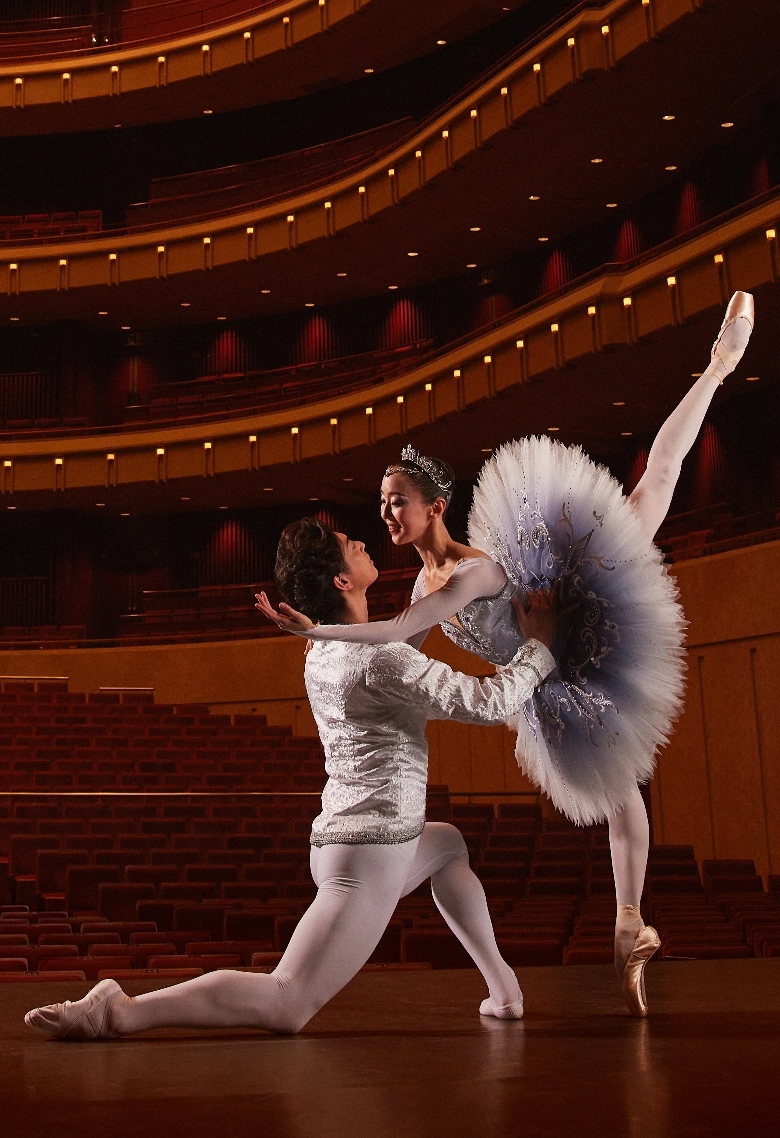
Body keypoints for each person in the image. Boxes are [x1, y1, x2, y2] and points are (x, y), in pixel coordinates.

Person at [256, 291, 755, 1017]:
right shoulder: (423, 585)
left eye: (398, 500)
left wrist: (318, 633)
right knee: (618, 789)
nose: (387, 512)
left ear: (435, 507)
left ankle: (718, 365)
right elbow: (395, 646)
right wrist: (328, 641)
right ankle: (630, 924)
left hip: (570, 613)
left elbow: (394, 635)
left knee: (654, 487)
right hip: (542, 673)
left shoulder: (470, 575)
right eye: (382, 501)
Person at [25, 518, 559, 1041]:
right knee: (287, 1001)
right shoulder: (378, 660)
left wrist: (434, 595)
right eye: (349, 544)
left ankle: (503, 991)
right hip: (371, 854)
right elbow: (490, 703)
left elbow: (395, 655)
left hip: (352, 843)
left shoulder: (324, 648)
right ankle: (120, 1011)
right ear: (342, 581)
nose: (360, 540)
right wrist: (539, 645)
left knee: (448, 845)